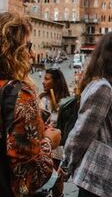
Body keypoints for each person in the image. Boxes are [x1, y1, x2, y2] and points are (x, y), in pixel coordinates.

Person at [63, 31, 112, 197]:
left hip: (102, 178)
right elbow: (82, 132)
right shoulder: (104, 88)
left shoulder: (106, 84)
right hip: (98, 179)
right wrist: (67, 164)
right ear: (108, 54)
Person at [0, 12, 61, 196]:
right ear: (12, 49)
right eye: (28, 46)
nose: (32, 54)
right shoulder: (21, 94)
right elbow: (30, 174)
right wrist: (50, 141)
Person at [39, 68, 71, 197]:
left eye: (47, 79)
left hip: (57, 145)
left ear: (56, 82)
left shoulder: (67, 101)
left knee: (56, 177)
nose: (43, 82)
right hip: (44, 142)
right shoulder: (42, 98)